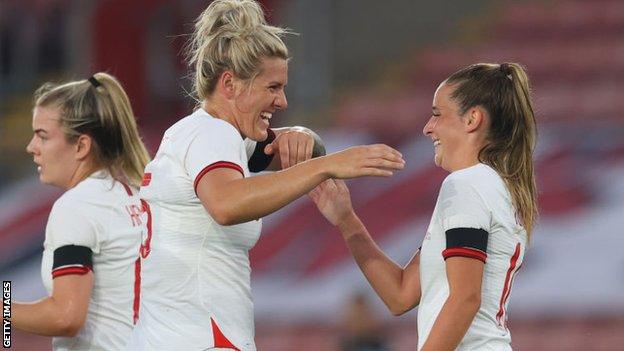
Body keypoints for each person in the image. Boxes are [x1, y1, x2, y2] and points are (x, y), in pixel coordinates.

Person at [127, 1, 405, 350]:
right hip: (201, 338)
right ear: (229, 84)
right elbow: (226, 204)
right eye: (273, 88)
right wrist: (327, 164)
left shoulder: (204, 134)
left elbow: (295, 150)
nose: (283, 101)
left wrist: (305, 137)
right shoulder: (213, 136)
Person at [310, 62, 538, 351]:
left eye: (437, 115)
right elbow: (401, 295)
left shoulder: (467, 183)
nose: (428, 128)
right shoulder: (490, 185)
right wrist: (346, 220)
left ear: (472, 120)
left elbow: (465, 298)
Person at [12, 73, 151, 350]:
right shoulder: (136, 197)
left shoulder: (76, 208)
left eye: (42, 136)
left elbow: (67, 317)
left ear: (81, 146)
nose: (32, 147)